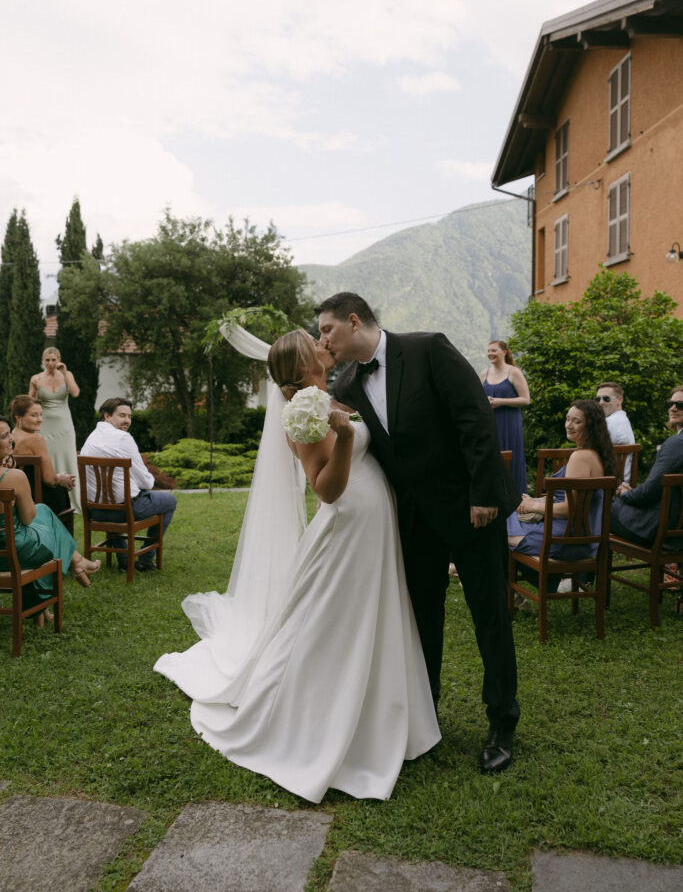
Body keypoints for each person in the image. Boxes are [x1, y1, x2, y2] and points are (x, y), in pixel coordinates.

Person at [155, 330, 440, 802]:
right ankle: (314, 722)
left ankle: (384, 719)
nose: (320, 343)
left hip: (373, 525)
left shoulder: (327, 393)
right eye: (313, 344)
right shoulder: (300, 413)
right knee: (332, 626)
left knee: (373, 618)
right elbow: (326, 489)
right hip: (348, 529)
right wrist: (346, 437)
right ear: (303, 365)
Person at [316, 293, 521, 775]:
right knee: (421, 619)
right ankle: (423, 718)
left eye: (326, 329)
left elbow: (475, 419)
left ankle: (502, 722)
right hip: (413, 520)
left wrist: (484, 495)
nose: (322, 339)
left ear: (352, 320)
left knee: (489, 615)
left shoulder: (429, 348)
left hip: (474, 511)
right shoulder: (347, 381)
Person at [507, 400, 617, 592]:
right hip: (584, 537)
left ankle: (507, 593)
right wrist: (534, 501)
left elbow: (569, 508)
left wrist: (533, 506)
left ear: (590, 426)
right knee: (508, 523)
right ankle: (520, 591)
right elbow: (577, 502)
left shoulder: (580, 457)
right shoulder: (597, 453)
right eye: (567, 419)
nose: (568, 425)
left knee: (499, 531)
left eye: (577, 422)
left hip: (567, 541)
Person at [0, 416, 99, 623]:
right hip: (13, 553)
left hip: (7, 549)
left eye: (10, 433)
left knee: (43, 510)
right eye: (4, 436)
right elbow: (27, 519)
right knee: (47, 526)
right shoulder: (13, 477)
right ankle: (75, 564)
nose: (11, 439)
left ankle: (76, 565)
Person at [80, 398, 177, 571]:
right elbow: (146, 482)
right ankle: (145, 560)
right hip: (124, 511)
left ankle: (124, 558)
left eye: (129, 416)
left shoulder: (91, 437)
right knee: (169, 501)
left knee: (116, 497)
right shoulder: (123, 438)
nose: (127, 420)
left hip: (96, 511)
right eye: (122, 415)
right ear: (107, 416)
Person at [610, 387, 683, 549]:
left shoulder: (677, 443)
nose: (673, 408)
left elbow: (650, 490)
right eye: (670, 403)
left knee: (594, 506)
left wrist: (627, 494)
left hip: (658, 531)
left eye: (680, 405)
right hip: (678, 532)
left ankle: (572, 568)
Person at [28, 347, 81, 512]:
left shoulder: (67, 374)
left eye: (54, 360)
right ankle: (50, 496)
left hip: (64, 425)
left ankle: (73, 499)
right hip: (44, 425)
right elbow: (30, 404)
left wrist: (65, 373)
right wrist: (36, 388)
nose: (51, 363)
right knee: (48, 457)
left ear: (59, 360)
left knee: (67, 457)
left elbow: (75, 393)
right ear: (43, 361)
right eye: (47, 360)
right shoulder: (36, 378)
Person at [10, 395, 75, 520]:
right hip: (36, 498)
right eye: (34, 415)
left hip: (16, 497)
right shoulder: (35, 439)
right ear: (19, 417)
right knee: (63, 493)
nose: (40, 419)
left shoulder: (12, 435)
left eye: (40, 414)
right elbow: (49, 479)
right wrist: (61, 478)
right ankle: (58, 536)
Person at [480, 340, 530, 495]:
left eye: (493, 350)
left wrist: (500, 402)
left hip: (510, 423)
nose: (490, 353)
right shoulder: (484, 373)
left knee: (511, 459)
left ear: (504, 352)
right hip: (490, 424)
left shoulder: (513, 372)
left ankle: (515, 499)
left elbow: (526, 399)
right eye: (488, 351)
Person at [595, 381, 636, 484]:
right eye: (597, 399)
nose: (601, 402)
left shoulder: (609, 424)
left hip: (607, 486)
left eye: (606, 398)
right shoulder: (623, 421)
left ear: (620, 400)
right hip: (622, 483)